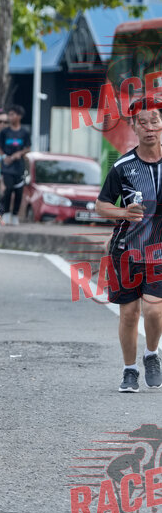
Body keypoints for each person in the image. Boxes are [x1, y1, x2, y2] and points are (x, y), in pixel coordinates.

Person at [95, 98, 162, 393]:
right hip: (127, 250)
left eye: (155, 121)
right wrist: (123, 212)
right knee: (129, 313)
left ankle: (151, 354)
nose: (149, 127)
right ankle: (129, 370)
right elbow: (101, 205)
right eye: (142, 122)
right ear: (133, 127)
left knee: (154, 312)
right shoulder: (123, 167)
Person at [0, 104, 31, 226]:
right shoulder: (4, 132)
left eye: (12, 114)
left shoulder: (24, 133)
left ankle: (15, 215)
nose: (9, 117)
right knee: (8, 190)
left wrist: (19, 153)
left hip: (19, 167)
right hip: (7, 168)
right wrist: (4, 156)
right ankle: (6, 214)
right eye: (9, 114)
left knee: (19, 192)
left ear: (19, 116)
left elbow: (28, 148)